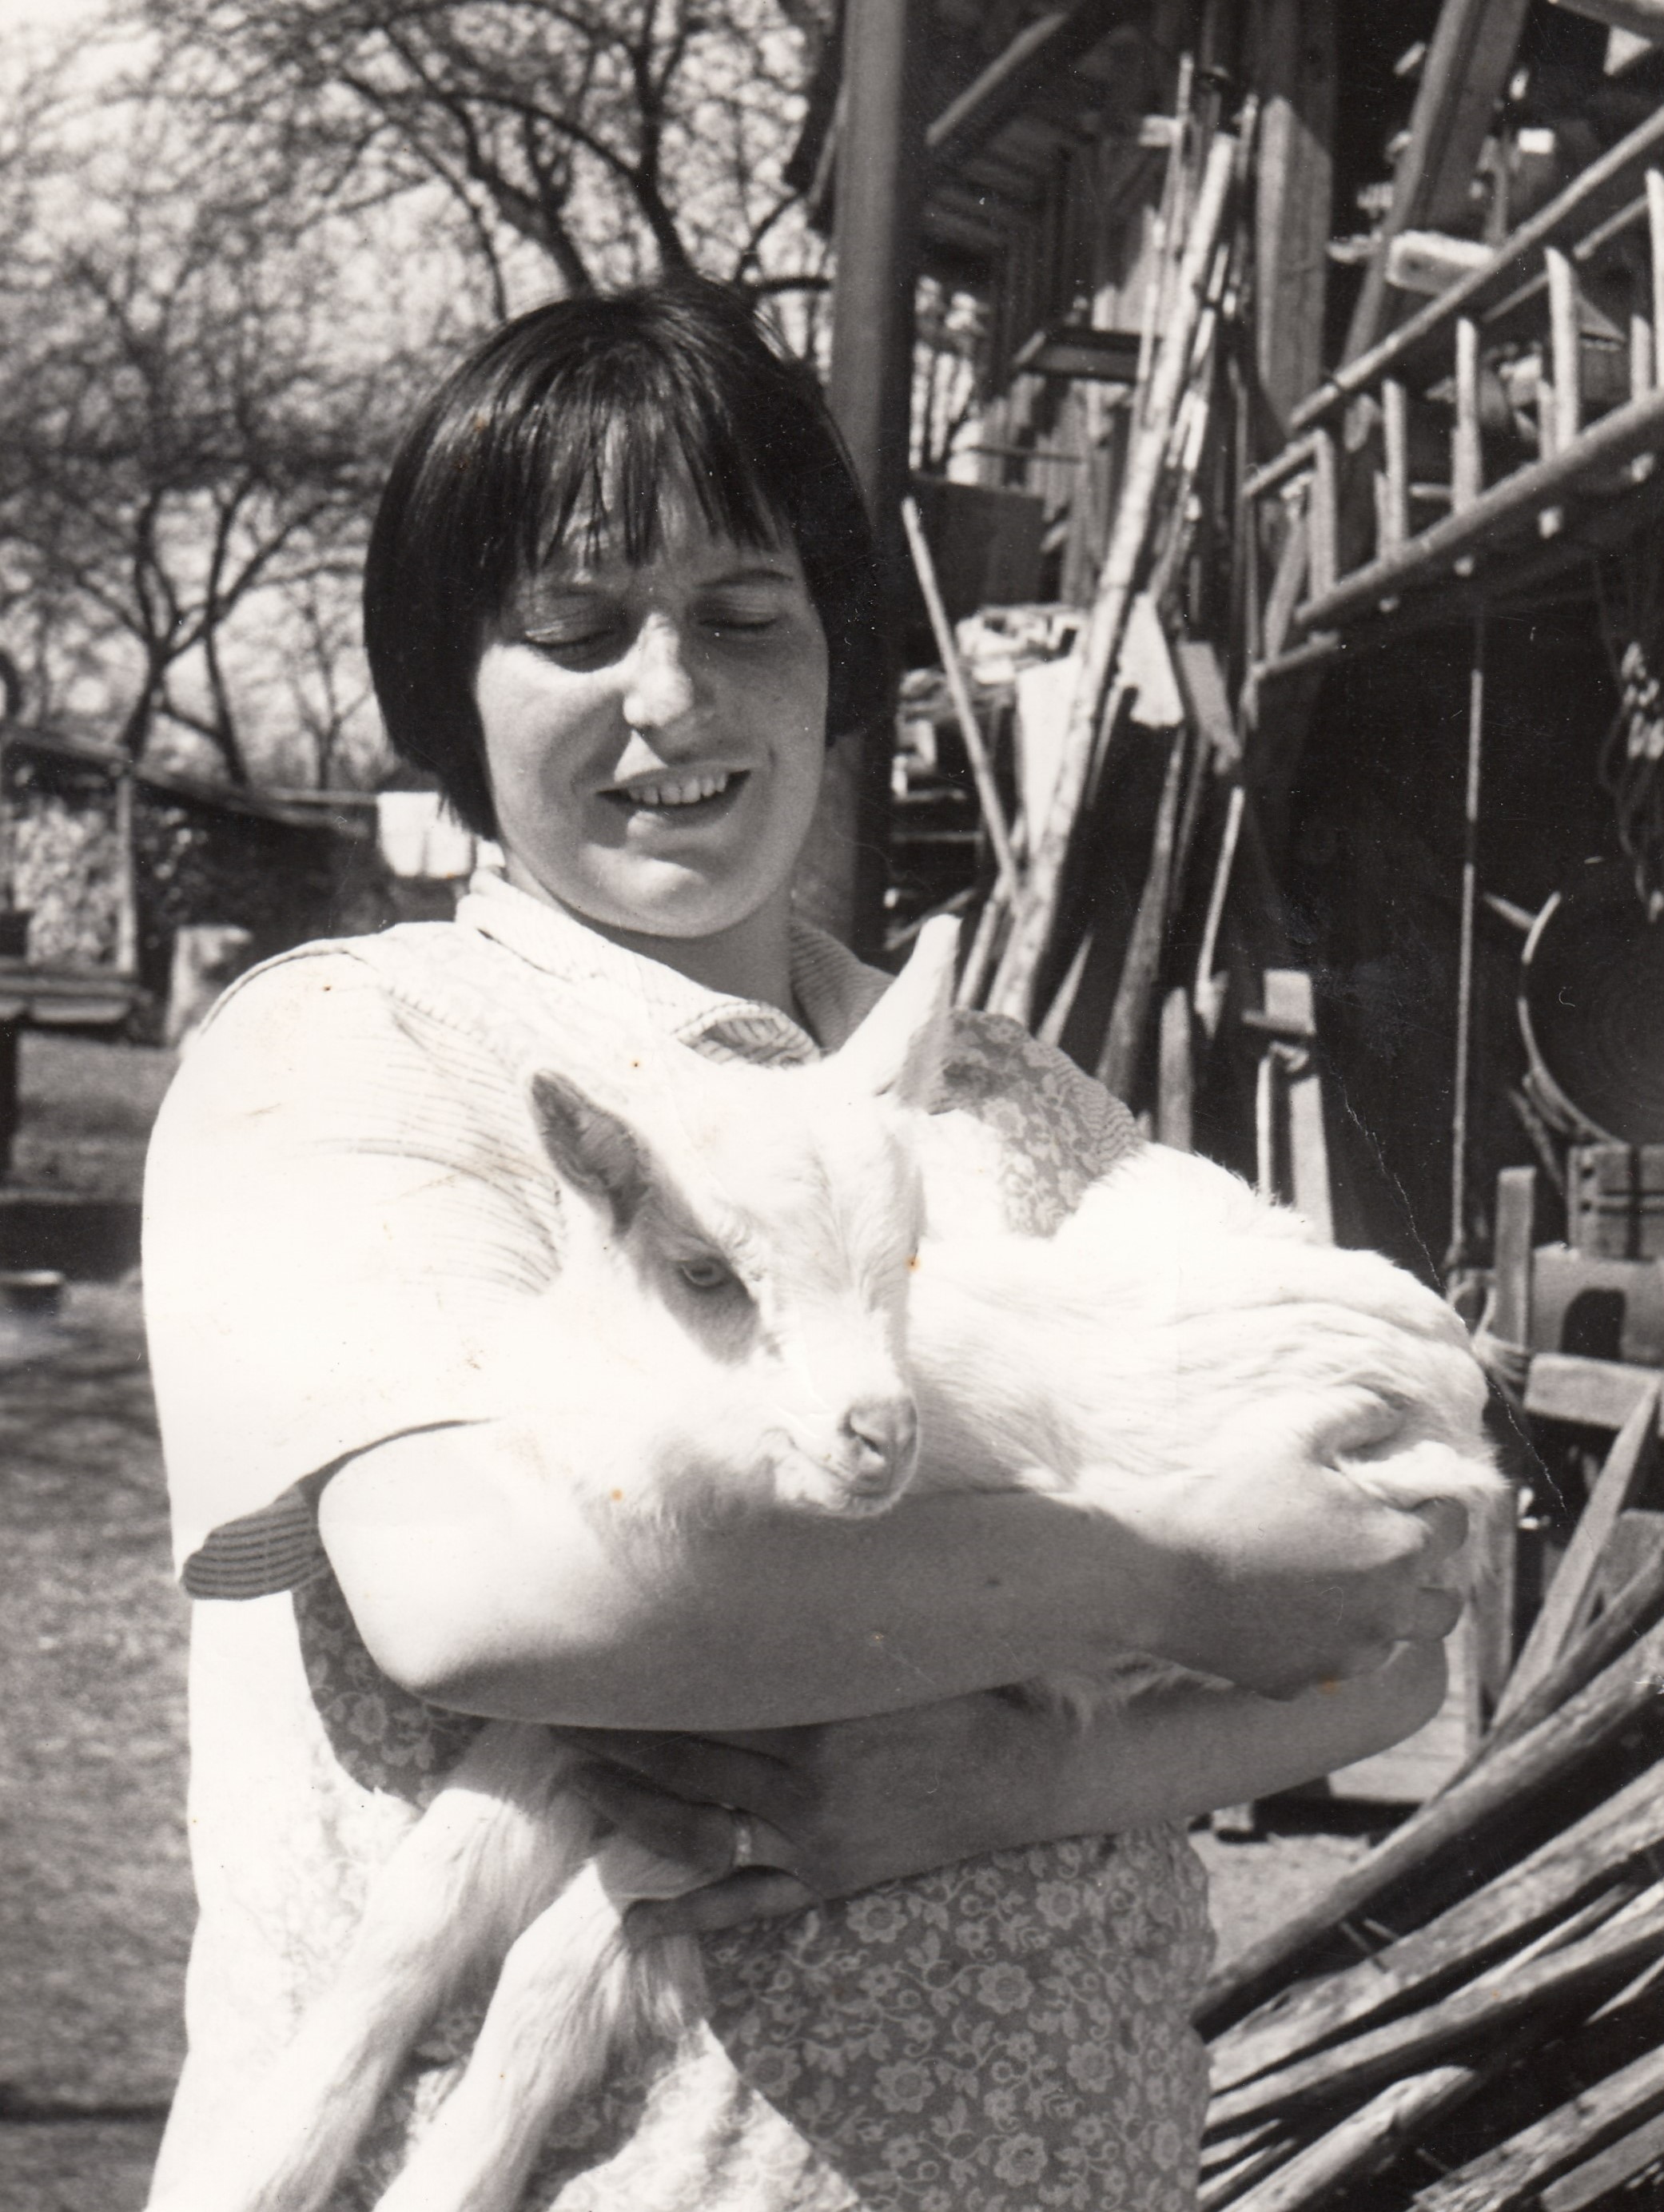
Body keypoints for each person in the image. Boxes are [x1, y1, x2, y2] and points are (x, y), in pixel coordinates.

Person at [143, 278, 1467, 2212]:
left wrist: (1017, 1780)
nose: (671, 698)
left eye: (744, 616)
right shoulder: (370, 1050)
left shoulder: (998, 1100)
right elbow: (490, 1599)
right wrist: (1170, 1574)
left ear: (837, 649)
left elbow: (1383, 1619)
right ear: (451, 688)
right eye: (575, 630)